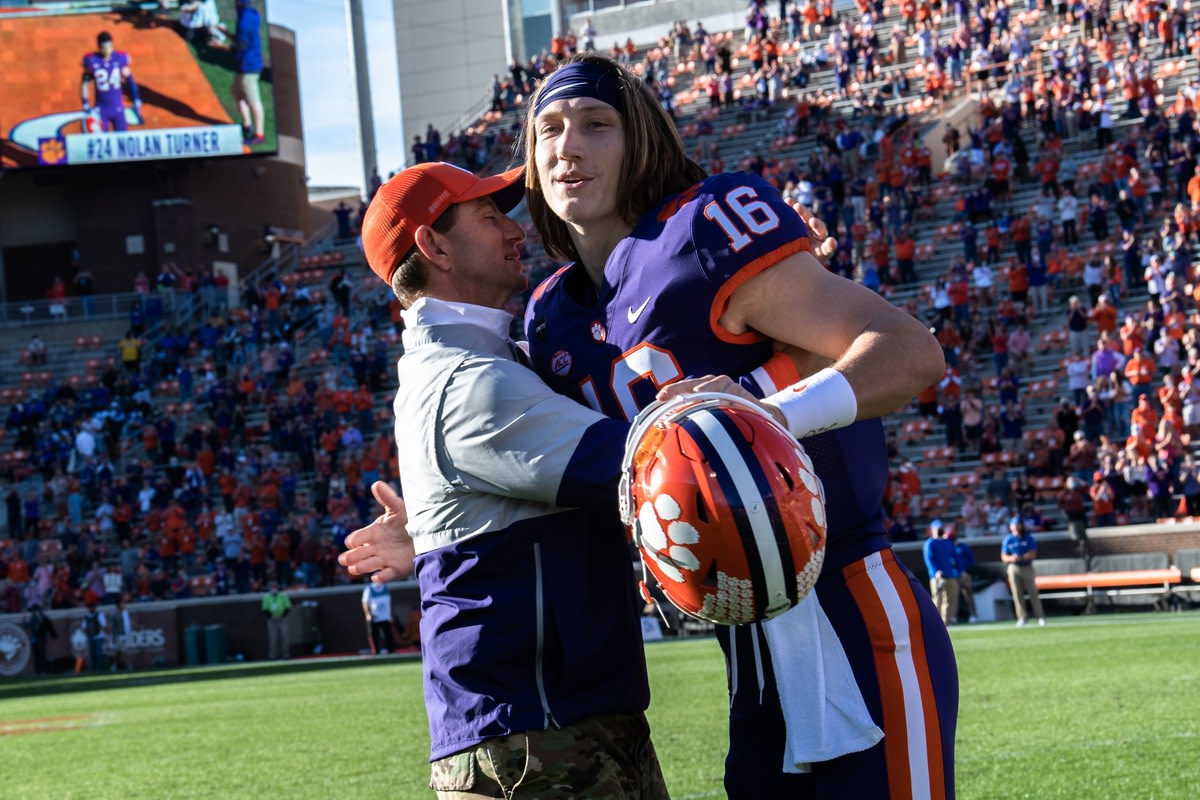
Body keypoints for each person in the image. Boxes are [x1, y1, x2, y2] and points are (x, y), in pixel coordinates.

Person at [519, 53, 955, 798]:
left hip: (851, 603)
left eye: (596, 124)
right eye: (549, 129)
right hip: (745, 650)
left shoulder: (701, 230)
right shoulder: (548, 318)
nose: (569, 147)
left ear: (641, 141)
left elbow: (910, 351)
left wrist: (761, 418)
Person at [349, 161, 679, 798]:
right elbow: (657, 462)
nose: (515, 230)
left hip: (553, 722)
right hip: (534, 737)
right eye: (488, 217)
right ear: (434, 246)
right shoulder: (469, 381)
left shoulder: (478, 365)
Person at [80, 31, 142, 133]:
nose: (107, 50)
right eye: (104, 47)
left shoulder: (120, 58)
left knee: (122, 137)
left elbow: (130, 80)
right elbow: (85, 84)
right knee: (102, 139)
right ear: (99, 47)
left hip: (118, 107)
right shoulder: (92, 61)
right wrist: (85, 103)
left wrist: (136, 98)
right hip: (101, 108)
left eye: (109, 47)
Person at [230, 0, 265, 146]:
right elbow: (242, 39)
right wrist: (226, 33)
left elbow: (240, 45)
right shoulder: (252, 14)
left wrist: (223, 46)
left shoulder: (244, 20)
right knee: (236, 92)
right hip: (248, 63)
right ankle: (247, 125)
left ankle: (259, 135)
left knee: (254, 101)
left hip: (249, 66)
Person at [1000, 517, 1046, 627]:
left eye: (1018, 525)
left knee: (1033, 592)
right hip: (1013, 567)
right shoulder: (1008, 539)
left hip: (1026, 566)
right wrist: (1011, 558)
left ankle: (1040, 616)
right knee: (1017, 593)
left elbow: (1033, 553)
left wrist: (1022, 557)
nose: (1016, 527)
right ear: (1010, 527)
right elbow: (1004, 556)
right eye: (1014, 525)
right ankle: (1022, 617)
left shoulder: (1028, 538)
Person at [923, 519, 960, 626]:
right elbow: (929, 560)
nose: (940, 530)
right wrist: (936, 572)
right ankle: (935, 623)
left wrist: (957, 569)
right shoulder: (930, 543)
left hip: (950, 574)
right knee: (938, 598)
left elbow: (955, 557)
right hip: (937, 577)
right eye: (938, 528)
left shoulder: (947, 542)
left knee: (951, 598)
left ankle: (947, 621)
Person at [361, 581, 394, 655]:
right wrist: (368, 614)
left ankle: (391, 651)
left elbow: (388, 603)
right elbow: (365, 602)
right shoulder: (369, 588)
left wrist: (390, 614)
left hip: (385, 617)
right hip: (374, 617)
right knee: (373, 635)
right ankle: (376, 651)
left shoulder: (385, 587)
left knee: (387, 635)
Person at [23, 603, 57, 674]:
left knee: (42, 653)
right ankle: (38, 670)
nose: (36, 612)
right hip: (36, 638)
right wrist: (24, 617)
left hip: (41, 638)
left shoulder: (43, 618)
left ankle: (43, 669)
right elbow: (26, 626)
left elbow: (47, 626)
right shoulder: (34, 618)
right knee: (37, 654)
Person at [952, 531, 977, 624]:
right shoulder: (947, 548)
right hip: (953, 576)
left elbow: (971, 560)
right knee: (953, 597)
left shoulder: (963, 547)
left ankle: (973, 615)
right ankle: (953, 617)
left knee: (968, 596)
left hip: (965, 575)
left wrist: (964, 570)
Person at [261, 580, 291, 659]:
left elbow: (288, 607)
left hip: (283, 619)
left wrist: (282, 616)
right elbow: (265, 609)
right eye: (272, 587)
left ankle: (285, 654)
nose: (274, 588)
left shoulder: (283, 595)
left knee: (284, 637)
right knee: (273, 638)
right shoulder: (267, 596)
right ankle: (273, 655)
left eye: (275, 587)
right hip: (272, 620)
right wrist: (272, 617)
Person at [82, 599, 107, 672]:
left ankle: (100, 668)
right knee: (92, 654)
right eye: (90, 607)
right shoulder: (87, 616)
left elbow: (103, 625)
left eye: (92, 607)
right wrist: (88, 631)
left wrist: (96, 628)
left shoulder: (99, 614)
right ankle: (94, 668)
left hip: (98, 637)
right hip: (90, 637)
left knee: (99, 653)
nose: (91, 608)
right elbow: (83, 627)